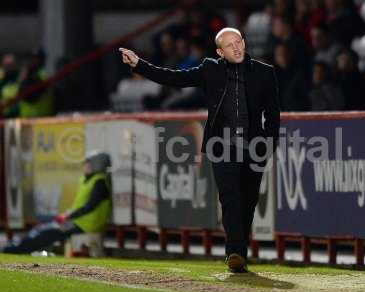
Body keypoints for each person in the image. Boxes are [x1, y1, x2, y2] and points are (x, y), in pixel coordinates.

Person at [119, 27, 280, 273]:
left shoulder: (265, 73)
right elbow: (173, 77)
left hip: (254, 147)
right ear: (219, 52)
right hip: (222, 145)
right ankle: (234, 252)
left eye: (239, 42)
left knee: (247, 202)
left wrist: (267, 146)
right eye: (229, 45)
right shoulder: (210, 69)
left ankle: (240, 253)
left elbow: (273, 116)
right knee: (230, 197)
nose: (236, 47)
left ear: (245, 43)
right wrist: (139, 65)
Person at [1, 151, 112, 254]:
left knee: (48, 232)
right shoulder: (89, 180)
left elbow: (89, 207)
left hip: (85, 225)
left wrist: (68, 215)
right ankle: (14, 245)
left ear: (97, 165)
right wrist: (68, 215)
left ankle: (14, 249)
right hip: (78, 222)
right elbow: (82, 205)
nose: (85, 166)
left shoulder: (99, 183)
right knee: (42, 228)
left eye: (88, 163)